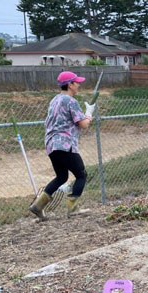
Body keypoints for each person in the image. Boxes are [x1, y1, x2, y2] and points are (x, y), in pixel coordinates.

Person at [29, 71, 94, 220]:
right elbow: (83, 124)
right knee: (81, 175)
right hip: (65, 144)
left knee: (61, 176)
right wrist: (89, 113)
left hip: (52, 144)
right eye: (76, 83)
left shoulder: (54, 100)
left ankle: (38, 205)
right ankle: (73, 209)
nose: (79, 85)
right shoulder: (71, 101)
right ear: (70, 84)